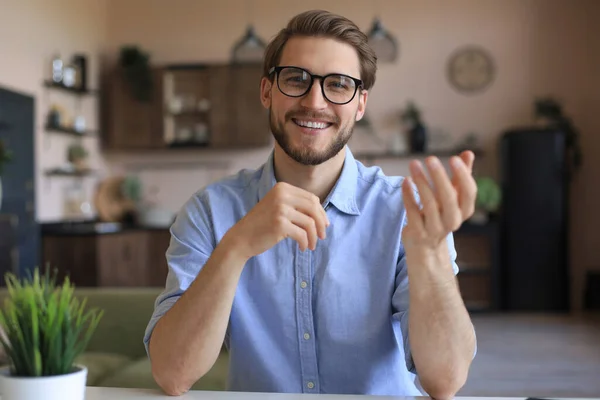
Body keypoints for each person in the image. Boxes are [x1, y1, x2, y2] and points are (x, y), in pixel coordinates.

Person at [144, 9, 477, 399]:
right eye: (296, 79)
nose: (314, 101)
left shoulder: (406, 209)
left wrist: (430, 255)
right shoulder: (210, 212)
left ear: (360, 104)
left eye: (338, 84)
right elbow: (172, 374)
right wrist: (236, 247)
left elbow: (445, 380)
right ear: (267, 91)